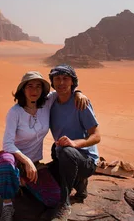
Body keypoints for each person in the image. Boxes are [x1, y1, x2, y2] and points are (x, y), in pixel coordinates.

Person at [0, 71, 89, 221]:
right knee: (6, 164)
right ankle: (7, 206)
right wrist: (27, 161)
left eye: (38, 87)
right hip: (13, 158)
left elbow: (63, 90)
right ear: (22, 89)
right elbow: (7, 144)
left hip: (33, 166)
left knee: (54, 199)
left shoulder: (46, 103)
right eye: (29, 86)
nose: (34, 90)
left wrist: (78, 93)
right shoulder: (15, 112)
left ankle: (20, 182)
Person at [48, 64, 101, 221]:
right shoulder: (51, 102)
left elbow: (96, 136)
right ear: (52, 81)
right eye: (57, 79)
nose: (61, 83)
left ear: (73, 82)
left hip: (86, 161)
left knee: (66, 152)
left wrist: (74, 143)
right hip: (63, 155)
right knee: (43, 177)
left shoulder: (80, 104)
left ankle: (65, 204)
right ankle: (80, 184)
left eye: (66, 79)